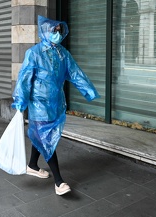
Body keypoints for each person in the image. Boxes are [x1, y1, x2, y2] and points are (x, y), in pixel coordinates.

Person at [11, 16, 100, 195]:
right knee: (47, 139)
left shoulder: (62, 53)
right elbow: (24, 79)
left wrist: (88, 90)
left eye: (60, 30)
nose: (57, 34)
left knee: (41, 136)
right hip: (39, 104)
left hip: (56, 103)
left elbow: (75, 73)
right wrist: (20, 101)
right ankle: (59, 182)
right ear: (45, 31)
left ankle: (32, 165)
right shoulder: (34, 53)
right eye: (54, 30)